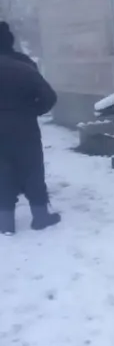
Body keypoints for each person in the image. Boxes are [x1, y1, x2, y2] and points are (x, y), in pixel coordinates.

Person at [0, 54, 61, 235]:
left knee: (2, 171)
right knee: (32, 169)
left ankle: (5, 223)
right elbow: (49, 97)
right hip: (24, 127)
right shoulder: (24, 68)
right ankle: (40, 217)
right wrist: (32, 111)